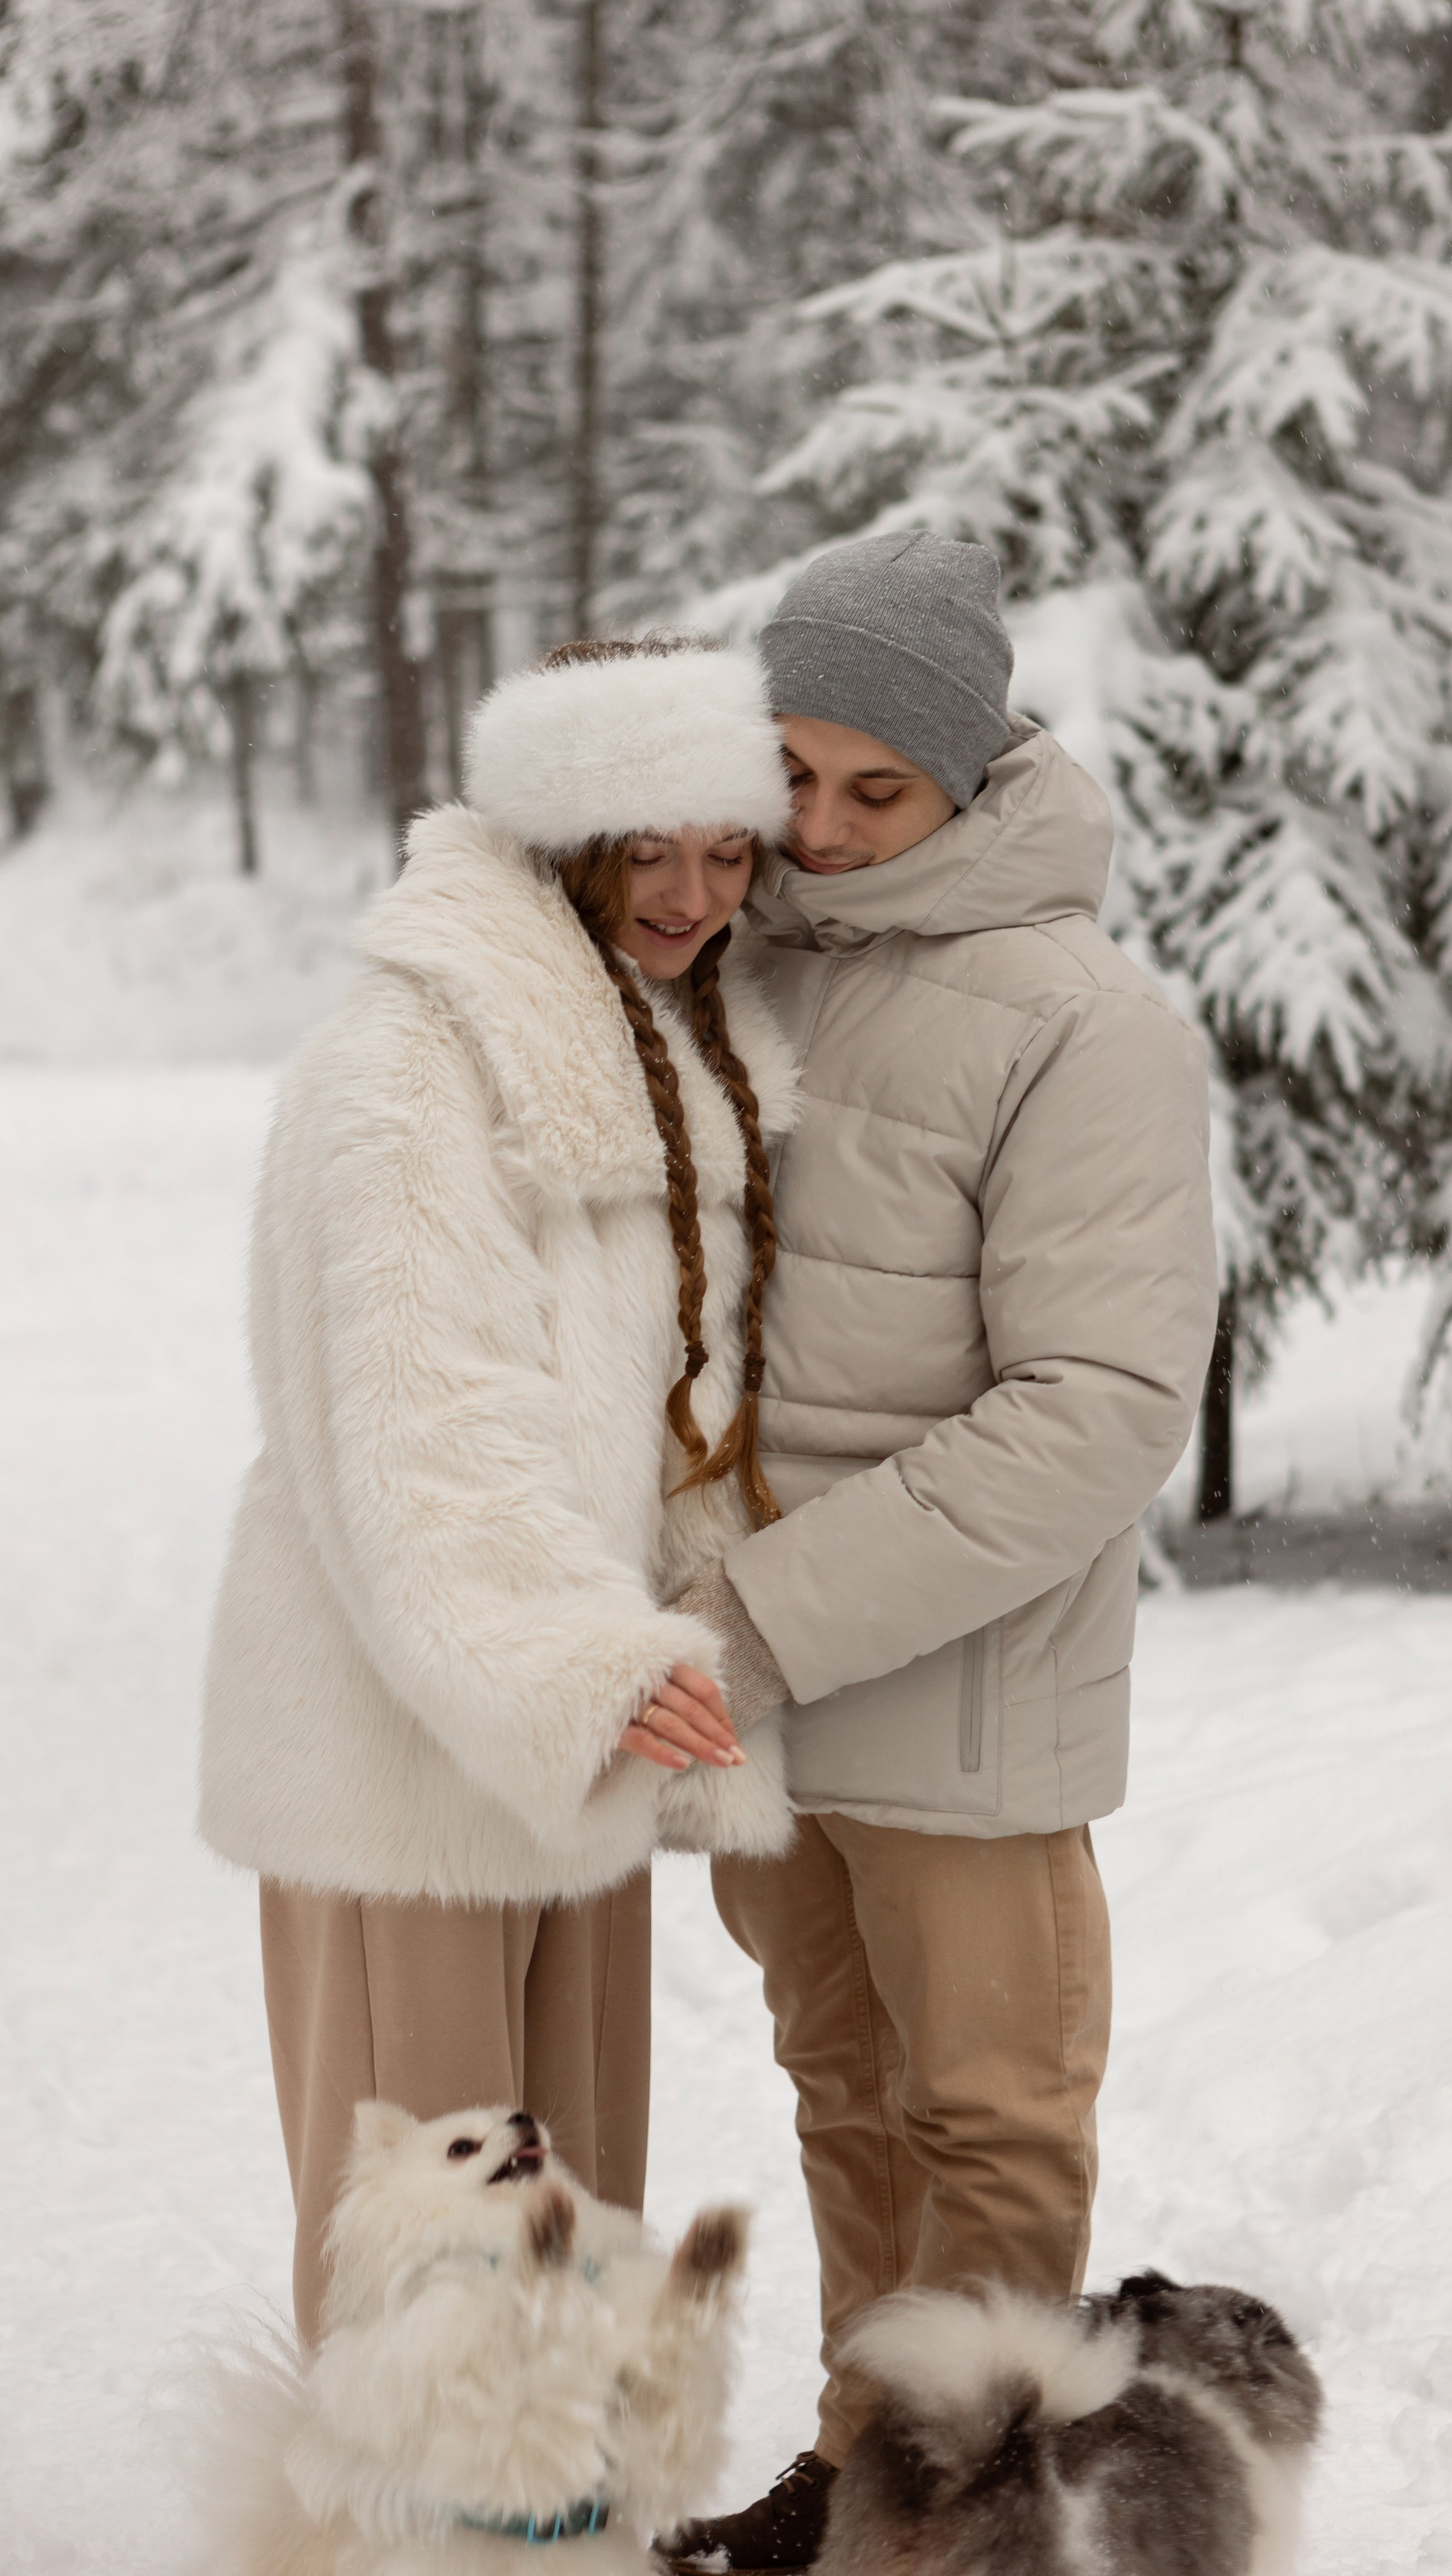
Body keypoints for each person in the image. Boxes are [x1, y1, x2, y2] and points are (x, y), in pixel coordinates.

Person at [666, 534, 1218, 2572]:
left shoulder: (1086, 1025)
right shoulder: (756, 962)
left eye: (867, 788)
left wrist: (766, 1615)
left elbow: (1094, 1414)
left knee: (986, 2124)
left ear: (971, 772)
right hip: (763, 1688)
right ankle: (862, 2480)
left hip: (955, 1686)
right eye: (786, 775)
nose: (813, 828)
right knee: (840, 2091)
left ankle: (970, 2536)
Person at [198, 633, 800, 2343]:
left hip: (580, 1729)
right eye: (647, 849)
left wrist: (666, 1638)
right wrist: (578, 1666)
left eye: (725, 848)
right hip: (406, 1745)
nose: (689, 895)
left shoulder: (667, 1052)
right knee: (430, 2257)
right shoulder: (408, 1062)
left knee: (576, 2231)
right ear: (560, 839)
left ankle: (554, 2533)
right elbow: (414, 1420)